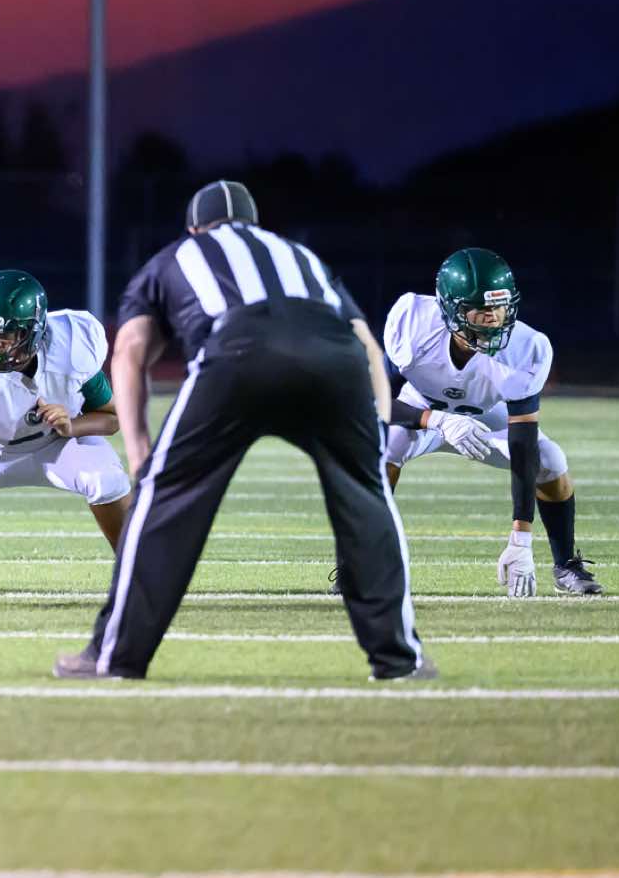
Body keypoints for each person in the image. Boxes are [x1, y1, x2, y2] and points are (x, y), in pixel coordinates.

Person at [56, 180, 433, 681]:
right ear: (255, 225)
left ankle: (116, 656)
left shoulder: (174, 257)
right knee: (368, 500)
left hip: (236, 351)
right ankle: (398, 659)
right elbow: (367, 345)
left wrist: (141, 451)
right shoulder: (300, 256)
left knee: (165, 503)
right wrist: (376, 431)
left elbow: (129, 352)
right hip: (334, 359)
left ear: (194, 228)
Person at [381, 248, 600, 596]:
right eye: (480, 310)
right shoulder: (413, 322)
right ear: (449, 308)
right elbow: (374, 400)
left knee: (550, 459)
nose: (493, 319)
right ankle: (359, 563)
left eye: (499, 308)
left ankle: (566, 565)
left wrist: (521, 537)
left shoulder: (528, 347)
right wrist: (435, 420)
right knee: (379, 450)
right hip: (422, 409)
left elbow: (523, 444)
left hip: (487, 417)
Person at [0, 269, 130, 585]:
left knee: (107, 478)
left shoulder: (70, 348)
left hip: (55, 445)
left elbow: (113, 418)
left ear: (33, 331)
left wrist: (72, 425)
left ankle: (138, 568)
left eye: (5, 335)